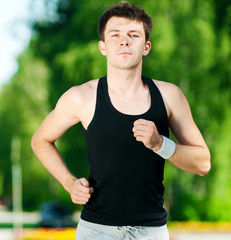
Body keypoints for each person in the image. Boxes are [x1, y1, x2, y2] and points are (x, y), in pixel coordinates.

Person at [31, 2, 211, 240]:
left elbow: (203, 163)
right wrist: (69, 182)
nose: (124, 41)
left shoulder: (170, 96)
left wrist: (160, 144)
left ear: (146, 47)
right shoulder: (81, 97)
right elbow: (40, 140)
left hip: (151, 231)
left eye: (133, 35)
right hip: (95, 230)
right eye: (115, 35)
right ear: (102, 47)